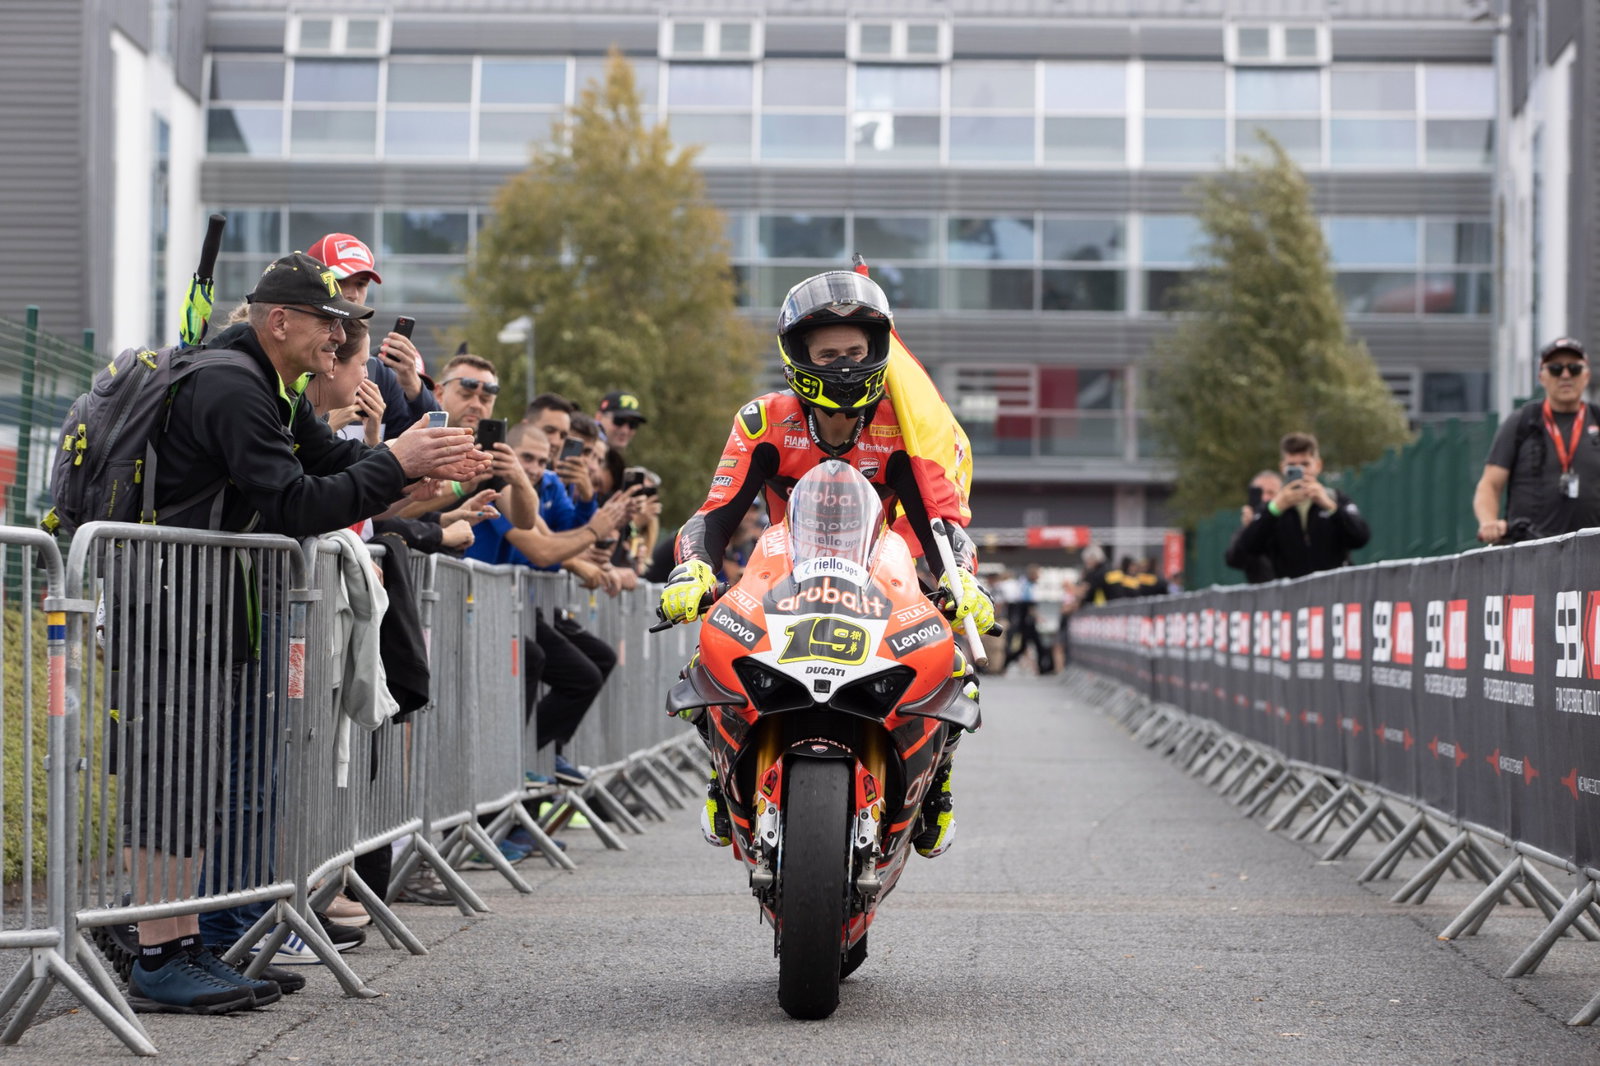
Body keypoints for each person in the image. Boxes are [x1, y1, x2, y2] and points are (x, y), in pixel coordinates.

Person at [122, 252, 486, 1014]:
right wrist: (393, 463)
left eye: (344, 326)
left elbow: (331, 466)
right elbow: (293, 504)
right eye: (330, 323)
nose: (339, 338)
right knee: (171, 780)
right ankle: (160, 954)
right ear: (278, 320)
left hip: (205, 604)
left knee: (196, 779)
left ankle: (190, 945)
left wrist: (410, 469)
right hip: (164, 601)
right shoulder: (229, 383)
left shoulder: (269, 387)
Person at [660, 270, 993, 860]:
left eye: (855, 352)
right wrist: (692, 572)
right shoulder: (762, 421)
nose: (843, 365)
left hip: (880, 567)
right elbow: (712, 516)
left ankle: (936, 786)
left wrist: (964, 580)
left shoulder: (904, 426)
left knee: (955, 665)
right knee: (709, 654)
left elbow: (944, 529)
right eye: (828, 353)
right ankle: (720, 779)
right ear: (799, 357)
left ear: (877, 353)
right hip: (784, 566)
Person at [305, 233, 443, 440]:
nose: (352, 294)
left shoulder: (377, 374)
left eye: (361, 284)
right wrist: (324, 429)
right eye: (340, 281)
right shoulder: (292, 361)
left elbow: (431, 442)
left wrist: (412, 384)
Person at [1474, 337, 1600, 543]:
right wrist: (1489, 523)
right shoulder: (1523, 421)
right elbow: (1490, 484)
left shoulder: (1597, 418)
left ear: (1586, 375)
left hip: (1592, 553)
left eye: (1575, 368)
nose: (1566, 375)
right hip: (1530, 554)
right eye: (1556, 369)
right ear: (1541, 377)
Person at [1233, 431, 1370, 579]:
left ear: (1318, 465)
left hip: (1334, 593)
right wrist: (1274, 510)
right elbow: (1248, 548)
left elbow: (1360, 537)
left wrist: (1330, 507)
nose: (1300, 471)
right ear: (1282, 468)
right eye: (1292, 466)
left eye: (1305, 464)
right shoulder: (1273, 507)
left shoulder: (1336, 498)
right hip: (1292, 597)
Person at [1225, 470, 1282, 584]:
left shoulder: (1289, 522)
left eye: (1271, 493)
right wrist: (1249, 530)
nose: (1265, 498)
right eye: (1260, 492)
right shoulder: (1249, 527)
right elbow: (1234, 559)